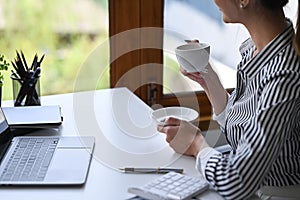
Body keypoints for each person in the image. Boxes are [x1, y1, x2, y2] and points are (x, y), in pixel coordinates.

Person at [157, 0, 300, 199]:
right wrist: (207, 78)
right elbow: (244, 126)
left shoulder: (283, 75)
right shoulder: (257, 52)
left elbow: (237, 182)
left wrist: (196, 143)